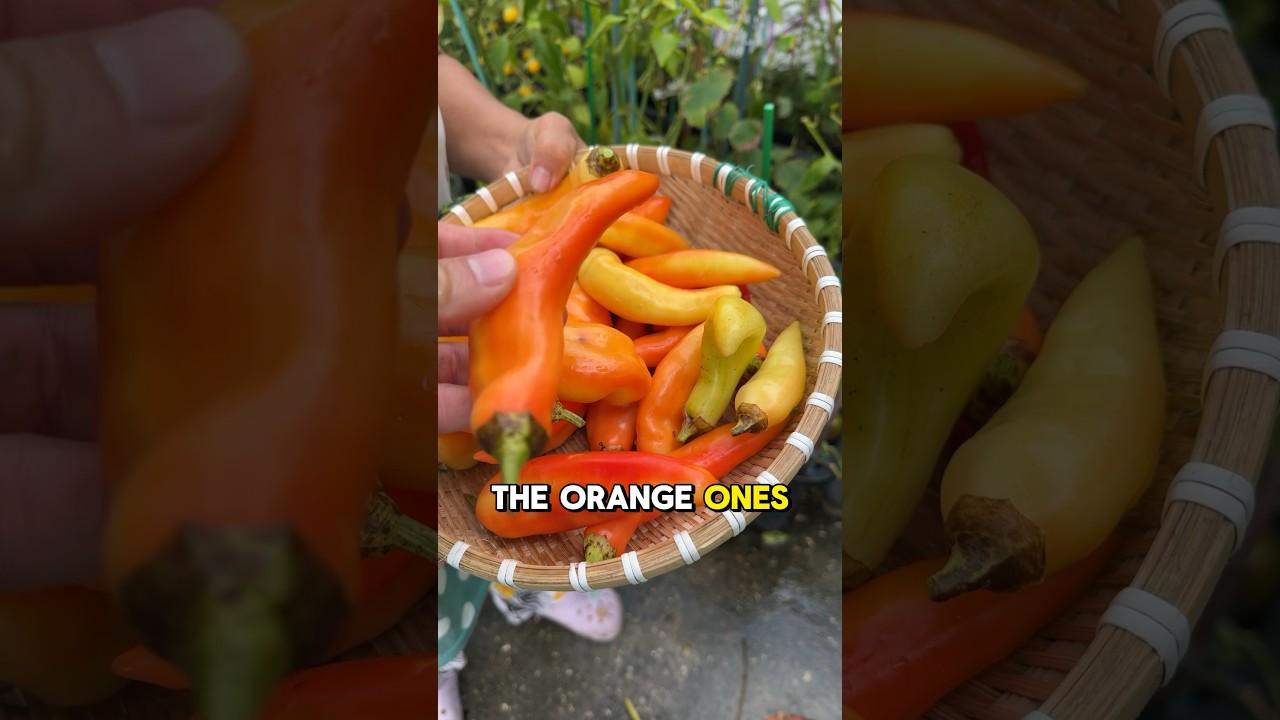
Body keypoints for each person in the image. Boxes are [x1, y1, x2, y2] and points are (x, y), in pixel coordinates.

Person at [434, 51, 625, 718]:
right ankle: (438, 659)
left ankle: (523, 583)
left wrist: (516, 145)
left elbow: (440, 101)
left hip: (446, 323)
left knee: (503, 476)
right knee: (418, 544)